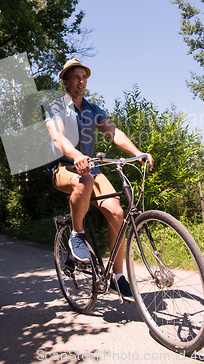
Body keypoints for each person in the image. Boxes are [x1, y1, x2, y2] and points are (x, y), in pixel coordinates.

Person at [45, 59, 154, 302]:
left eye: (84, 76)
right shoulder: (56, 108)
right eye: (75, 77)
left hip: (91, 169)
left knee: (117, 213)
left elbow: (114, 133)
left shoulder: (94, 110)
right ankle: (76, 234)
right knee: (82, 180)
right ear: (65, 81)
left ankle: (118, 278)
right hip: (64, 167)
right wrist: (75, 155)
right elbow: (58, 138)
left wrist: (137, 153)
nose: (81, 81)